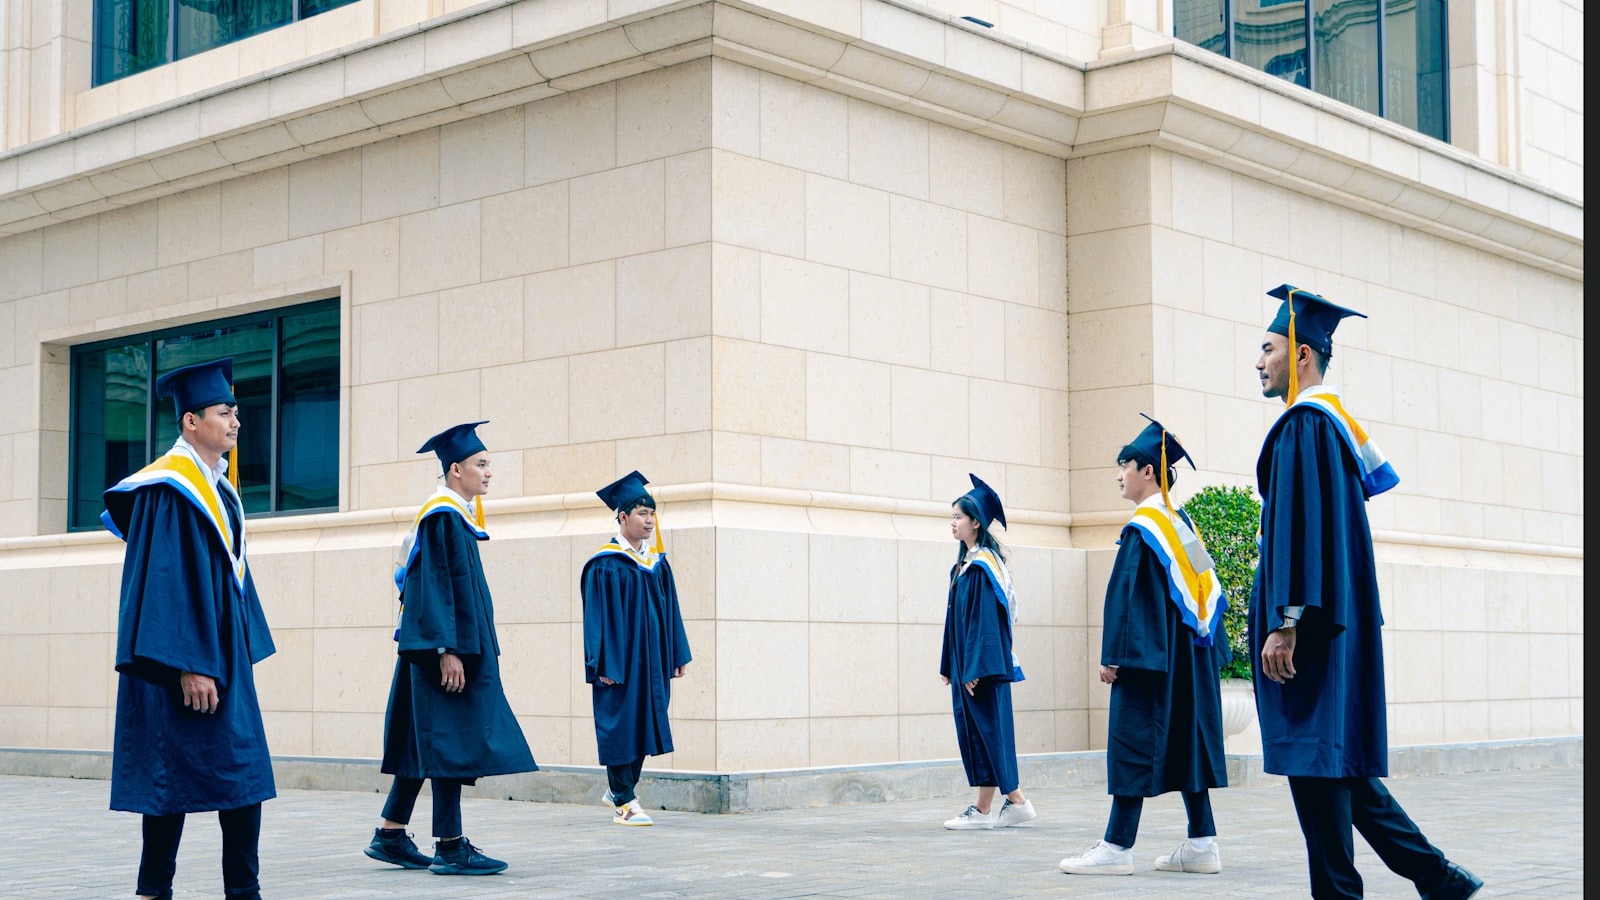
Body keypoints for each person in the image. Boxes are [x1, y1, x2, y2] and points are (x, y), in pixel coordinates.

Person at [1251, 284, 1482, 899]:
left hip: (1307, 627)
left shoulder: (1305, 426)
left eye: (1268, 348)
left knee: (1318, 763)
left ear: (1302, 356)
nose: (1259, 362)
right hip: (1333, 621)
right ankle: (1439, 878)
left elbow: (1300, 531)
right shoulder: (1331, 429)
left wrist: (1287, 617)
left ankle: (1350, 893)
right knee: (1334, 764)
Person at [101, 357, 275, 900]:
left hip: (222, 653)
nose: (236, 421)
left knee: (243, 775)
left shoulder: (218, 487)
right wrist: (188, 664)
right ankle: (155, 890)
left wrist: (236, 648)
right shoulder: (168, 487)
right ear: (191, 422)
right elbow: (163, 582)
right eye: (225, 412)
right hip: (184, 657)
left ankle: (243, 891)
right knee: (169, 780)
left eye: (237, 412)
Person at [1059, 415, 1228, 876]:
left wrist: (1115, 656)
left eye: (1124, 465)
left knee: (1133, 739)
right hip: (1189, 656)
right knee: (1186, 742)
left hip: (1151, 659)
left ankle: (1116, 846)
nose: (1118, 474)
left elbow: (1128, 596)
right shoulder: (1182, 525)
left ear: (1148, 471)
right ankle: (1202, 843)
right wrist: (1211, 651)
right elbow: (1209, 591)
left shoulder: (1142, 530)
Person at [366, 421, 536, 876]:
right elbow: (432, 585)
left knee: (425, 740)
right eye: (482, 464)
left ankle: (391, 833)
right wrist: (446, 649)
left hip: (442, 649)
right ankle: (450, 844)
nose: (489, 472)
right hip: (442, 653)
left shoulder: (453, 515)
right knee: (447, 741)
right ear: (456, 468)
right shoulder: (443, 515)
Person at [581, 471, 692, 826]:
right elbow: (596, 618)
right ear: (623, 517)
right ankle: (625, 800)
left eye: (652, 514)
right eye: (642, 513)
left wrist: (676, 653)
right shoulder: (605, 564)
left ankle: (619, 791)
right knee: (620, 727)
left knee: (646, 724)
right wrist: (603, 664)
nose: (649, 520)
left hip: (654, 659)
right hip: (620, 662)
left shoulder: (656, 563)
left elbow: (671, 608)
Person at [939, 474, 1037, 830]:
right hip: (968, 666)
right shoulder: (965, 566)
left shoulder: (983, 568)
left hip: (982, 668)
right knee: (980, 733)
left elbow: (985, 624)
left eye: (958, 517)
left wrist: (976, 667)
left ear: (975, 522)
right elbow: (956, 622)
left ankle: (1015, 801)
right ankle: (986, 810)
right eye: (951, 516)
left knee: (990, 732)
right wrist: (951, 663)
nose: (953, 523)